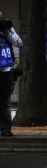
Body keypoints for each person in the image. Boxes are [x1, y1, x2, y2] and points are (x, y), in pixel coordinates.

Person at [0, 9, 23, 138]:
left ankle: (5, 129)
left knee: (5, 101)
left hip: (6, 69)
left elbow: (19, 43)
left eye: (1, 19)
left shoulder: (7, 29)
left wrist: (7, 32)